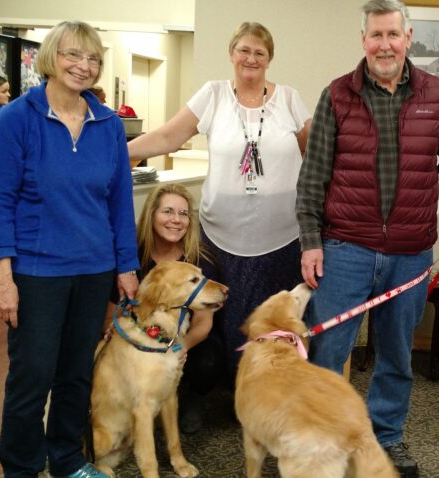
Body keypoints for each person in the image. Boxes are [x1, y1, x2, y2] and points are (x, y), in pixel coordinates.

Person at [295, 1, 439, 476]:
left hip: (410, 253)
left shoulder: (436, 93)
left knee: (396, 355)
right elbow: (313, 176)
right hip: (344, 248)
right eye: (376, 35)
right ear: (364, 40)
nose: (385, 45)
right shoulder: (337, 95)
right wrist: (311, 240)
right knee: (328, 352)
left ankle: (385, 437)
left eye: (393, 34)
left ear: (408, 37)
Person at [0, 21, 138, 478]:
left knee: (76, 373)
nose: (83, 66)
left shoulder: (108, 124)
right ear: (51, 57)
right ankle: (21, 468)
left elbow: (120, 201)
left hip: (94, 269)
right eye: (73, 55)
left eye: (93, 59)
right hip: (36, 272)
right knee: (32, 375)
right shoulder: (17, 118)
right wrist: (3, 278)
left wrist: (126, 266)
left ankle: (67, 459)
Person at [128, 22, 311, 381]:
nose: (251, 58)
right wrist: (117, 153)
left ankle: (269, 391)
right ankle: (229, 393)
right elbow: (167, 136)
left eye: (259, 52)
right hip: (221, 239)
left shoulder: (289, 99)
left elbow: (316, 155)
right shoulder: (213, 95)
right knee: (226, 324)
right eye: (244, 50)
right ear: (231, 54)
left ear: (269, 59)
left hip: (281, 240)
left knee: (272, 324)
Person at [107, 182, 224, 433]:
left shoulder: (200, 260)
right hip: (139, 340)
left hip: (184, 339)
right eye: (168, 211)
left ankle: (193, 397)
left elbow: (203, 323)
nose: (177, 220)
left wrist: (180, 348)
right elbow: (111, 314)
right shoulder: (131, 258)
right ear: (152, 215)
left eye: (183, 214)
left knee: (210, 361)